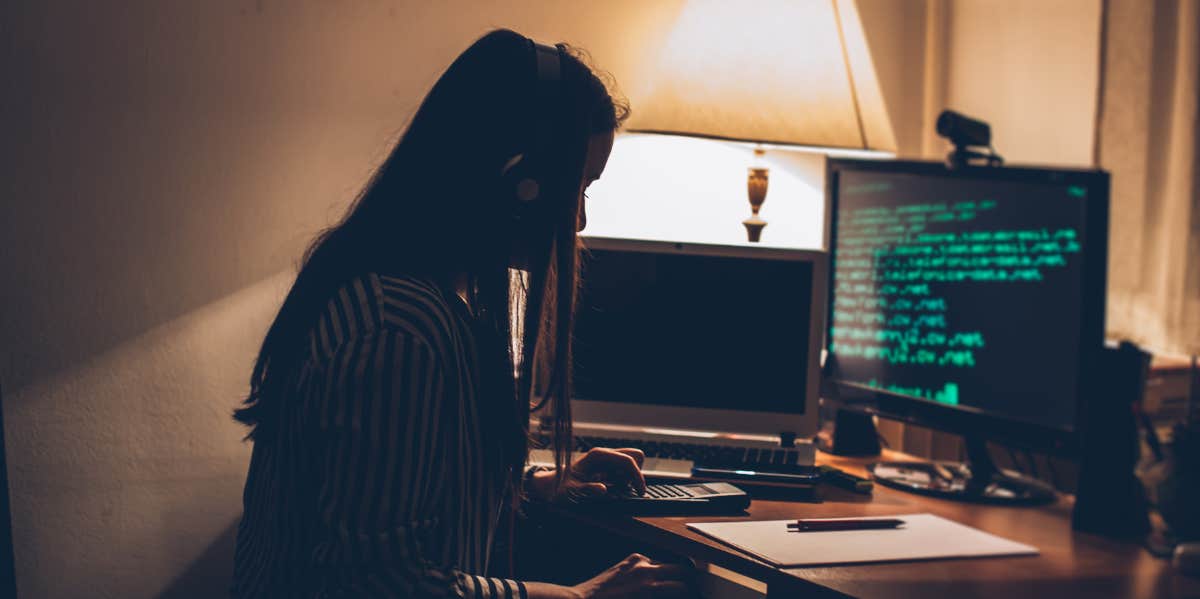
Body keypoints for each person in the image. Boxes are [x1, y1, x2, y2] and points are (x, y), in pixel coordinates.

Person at [230, 29, 692, 598]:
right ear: (521, 184)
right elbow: (378, 582)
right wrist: (579, 597)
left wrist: (537, 483)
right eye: (579, 188)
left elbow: (395, 489)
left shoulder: (410, 300)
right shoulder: (399, 331)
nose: (578, 223)